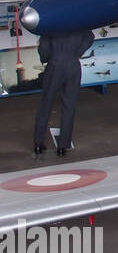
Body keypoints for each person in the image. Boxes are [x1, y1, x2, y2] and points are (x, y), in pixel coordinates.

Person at [33, 28, 95, 157]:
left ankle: (38, 144)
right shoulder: (77, 22)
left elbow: (44, 48)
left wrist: (46, 58)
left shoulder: (52, 24)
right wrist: (78, 52)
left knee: (46, 105)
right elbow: (90, 36)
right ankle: (62, 146)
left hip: (54, 65)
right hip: (73, 65)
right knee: (69, 106)